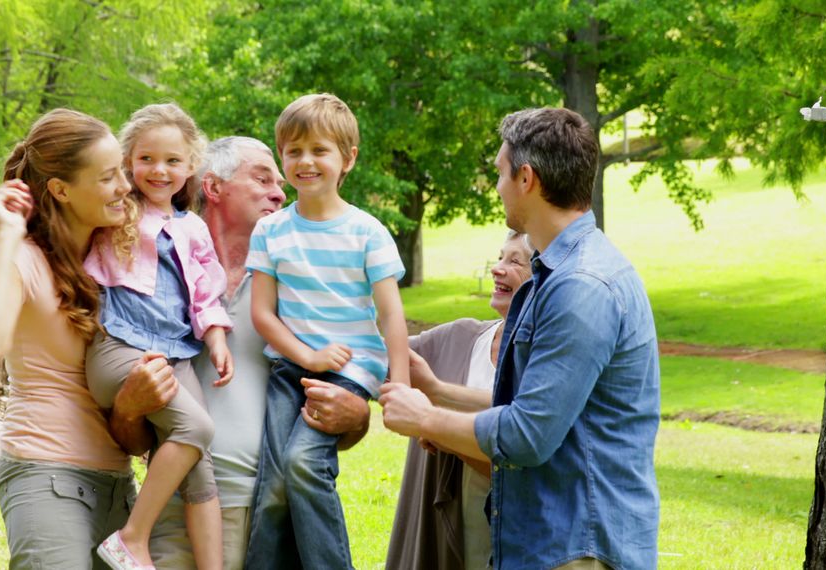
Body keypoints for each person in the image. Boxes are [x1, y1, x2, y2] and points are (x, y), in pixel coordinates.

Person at [380, 107, 660, 570]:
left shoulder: (581, 285)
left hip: (576, 547)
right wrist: (439, 391)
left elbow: (529, 434)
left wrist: (427, 418)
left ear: (526, 178)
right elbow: (541, 407)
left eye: (500, 173)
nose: (496, 186)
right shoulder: (554, 274)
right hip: (552, 542)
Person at [108, 135, 373, 570]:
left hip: (272, 517)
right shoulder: (154, 271)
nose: (280, 190)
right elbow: (127, 431)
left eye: (278, 181)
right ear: (212, 188)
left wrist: (357, 416)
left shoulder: (300, 280)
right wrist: (127, 409)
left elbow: (347, 392)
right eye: (262, 177)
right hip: (174, 512)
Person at [0, 108, 167, 569]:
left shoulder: (111, 262)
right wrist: (9, 235)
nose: (126, 187)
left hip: (116, 480)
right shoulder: (24, 260)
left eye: (122, 174)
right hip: (45, 475)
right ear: (61, 190)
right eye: (109, 177)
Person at [244, 93, 409, 570]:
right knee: (273, 487)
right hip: (292, 365)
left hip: (350, 366)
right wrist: (306, 356)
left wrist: (399, 382)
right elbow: (263, 315)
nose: (306, 161)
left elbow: (391, 315)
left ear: (348, 159)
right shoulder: (271, 232)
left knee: (301, 462)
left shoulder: (367, 231)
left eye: (320, 150)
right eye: (293, 151)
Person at [82, 103, 230, 570]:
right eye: (146, 159)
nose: (159, 170)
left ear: (190, 168)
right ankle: (132, 537)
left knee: (200, 466)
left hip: (176, 356)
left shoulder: (193, 227)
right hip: (120, 348)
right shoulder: (116, 213)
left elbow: (205, 293)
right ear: (128, 163)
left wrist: (217, 339)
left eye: (172, 160)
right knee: (199, 427)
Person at [386, 230, 533, 570]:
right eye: (499, 258)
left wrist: (443, 430)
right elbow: (382, 357)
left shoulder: (547, 357)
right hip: (455, 531)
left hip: (517, 538)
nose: (498, 268)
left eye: (514, 261)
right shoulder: (461, 337)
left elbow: (521, 444)